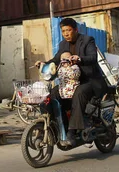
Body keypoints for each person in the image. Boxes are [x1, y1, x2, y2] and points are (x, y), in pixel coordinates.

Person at [35, 17, 107, 147]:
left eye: (68, 30)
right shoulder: (63, 45)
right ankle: (57, 126)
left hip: (88, 81)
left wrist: (79, 59)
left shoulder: (87, 40)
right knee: (52, 95)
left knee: (78, 94)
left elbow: (92, 57)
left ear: (75, 30)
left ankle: (72, 133)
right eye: (63, 31)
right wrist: (43, 64)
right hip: (70, 82)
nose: (66, 34)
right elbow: (56, 60)